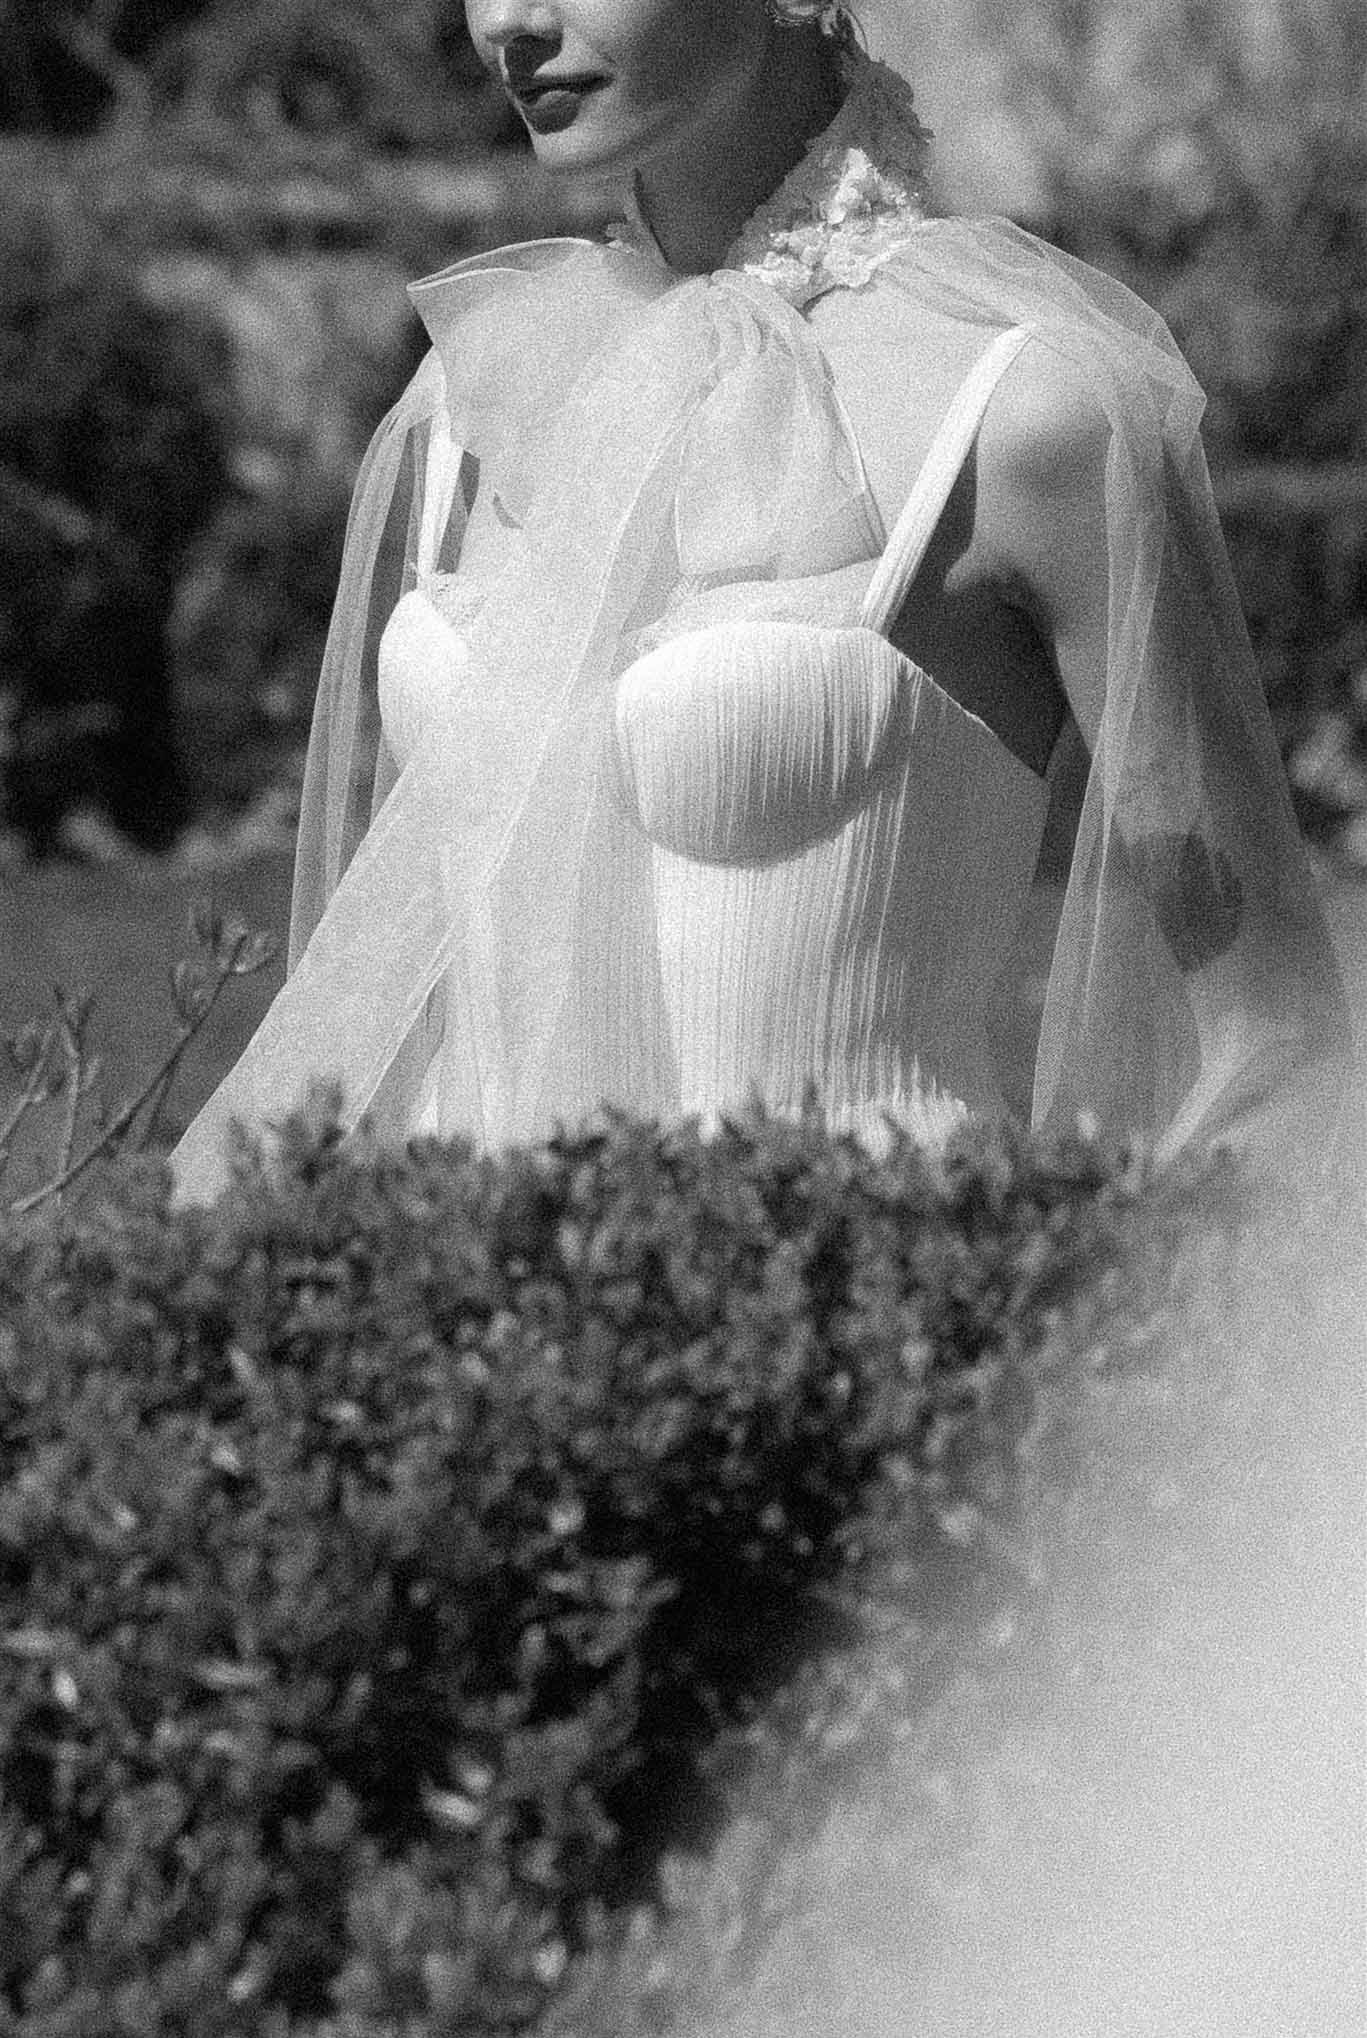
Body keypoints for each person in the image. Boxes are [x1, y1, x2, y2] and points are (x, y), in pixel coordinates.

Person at [171, 0, 1352, 1204]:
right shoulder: (479, 390)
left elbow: (1277, 1037)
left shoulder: (1027, 414)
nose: (510, 23)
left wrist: (1097, 1308)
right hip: (466, 1295)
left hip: (858, 1293)